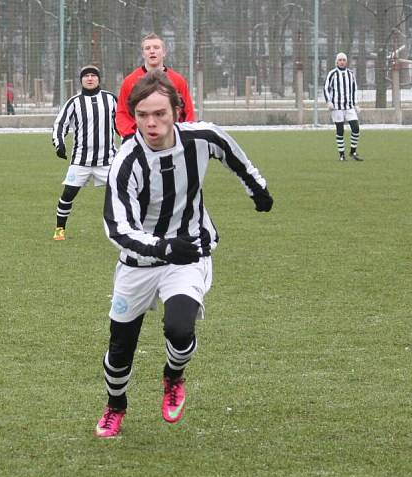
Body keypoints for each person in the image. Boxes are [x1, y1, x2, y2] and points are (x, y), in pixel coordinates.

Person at [95, 71, 273, 438]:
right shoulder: (126, 162)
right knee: (120, 346)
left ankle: (173, 375)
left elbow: (234, 156)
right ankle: (116, 404)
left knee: (179, 328)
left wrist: (258, 190)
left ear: (177, 110)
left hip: (189, 251)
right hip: (139, 262)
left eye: (160, 113)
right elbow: (118, 229)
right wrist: (162, 247)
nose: (152, 122)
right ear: (134, 116)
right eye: (143, 115)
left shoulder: (201, 137)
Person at [50, 65, 118, 241]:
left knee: (125, 193)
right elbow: (60, 124)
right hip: (81, 161)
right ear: (81, 80)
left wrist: (131, 141)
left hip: (108, 160)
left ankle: (127, 228)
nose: (90, 78)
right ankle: (60, 229)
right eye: (86, 76)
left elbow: (124, 123)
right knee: (68, 194)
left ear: (98, 79)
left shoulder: (111, 99)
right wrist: (59, 144)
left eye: (93, 76)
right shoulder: (74, 102)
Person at [115, 33, 196, 140]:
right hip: (140, 139)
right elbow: (122, 112)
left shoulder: (178, 80)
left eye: (156, 47)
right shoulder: (129, 81)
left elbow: (188, 111)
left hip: (172, 139)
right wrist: (130, 136)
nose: (152, 51)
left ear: (164, 52)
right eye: (147, 48)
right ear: (143, 54)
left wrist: (185, 135)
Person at [324, 52, 363, 161]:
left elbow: (354, 90)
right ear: (337, 62)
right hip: (337, 107)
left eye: (344, 60)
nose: (342, 62)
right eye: (340, 60)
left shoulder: (350, 74)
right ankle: (342, 155)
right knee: (340, 130)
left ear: (346, 62)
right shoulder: (332, 74)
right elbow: (326, 88)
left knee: (356, 128)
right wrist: (329, 102)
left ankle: (353, 152)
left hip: (349, 106)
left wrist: (355, 104)